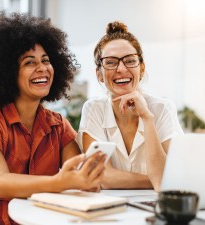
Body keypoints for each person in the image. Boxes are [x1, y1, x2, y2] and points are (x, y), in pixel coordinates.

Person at [0, 12, 106, 225]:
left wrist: (87, 179)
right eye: (29, 62)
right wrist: (59, 182)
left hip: (32, 215)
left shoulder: (58, 126)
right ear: (6, 71)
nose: (42, 68)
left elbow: (78, 176)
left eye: (46, 60)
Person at [77, 21, 183, 192]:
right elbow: (102, 176)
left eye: (129, 61)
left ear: (141, 68)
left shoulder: (162, 109)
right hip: (109, 211)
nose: (121, 69)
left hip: (155, 209)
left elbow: (174, 178)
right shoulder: (93, 110)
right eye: (111, 62)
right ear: (99, 74)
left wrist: (148, 119)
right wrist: (158, 179)